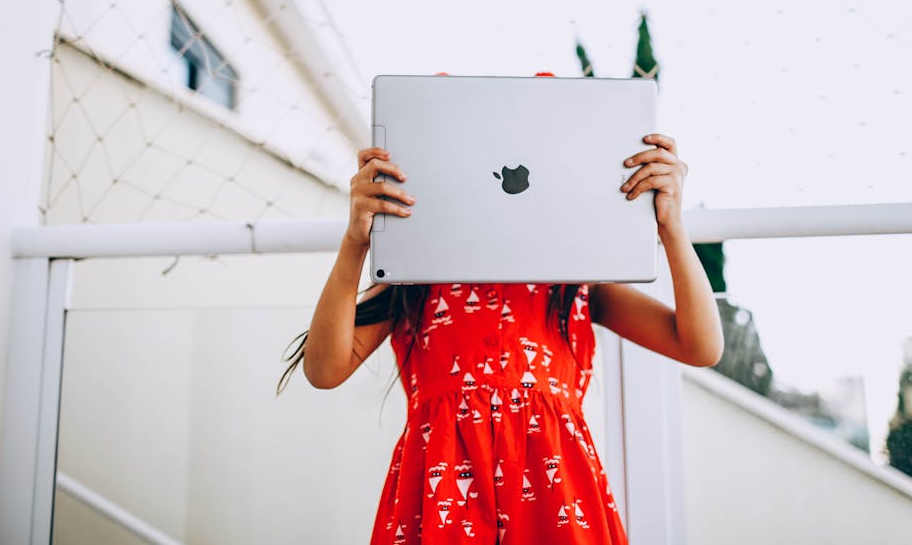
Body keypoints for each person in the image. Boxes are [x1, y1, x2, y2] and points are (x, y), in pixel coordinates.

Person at [281, 133, 724, 544]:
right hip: (441, 495)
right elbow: (324, 369)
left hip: (558, 500)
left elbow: (700, 345)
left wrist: (671, 227)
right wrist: (357, 242)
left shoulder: (573, 284)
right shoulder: (412, 279)